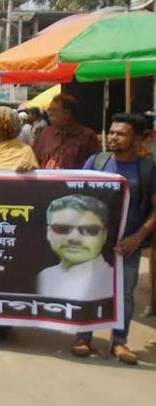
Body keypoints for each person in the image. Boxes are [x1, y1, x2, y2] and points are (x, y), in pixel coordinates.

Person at [72, 113, 156, 365]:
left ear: (137, 139)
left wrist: (138, 236)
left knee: (125, 294)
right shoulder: (96, 162)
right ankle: (83, 337)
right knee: (88, 288)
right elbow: (75, 191)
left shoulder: (147, 168)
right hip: (93, 243)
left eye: (121, 134)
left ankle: (119, 341)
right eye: (111, 132)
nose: (113, 137)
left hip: (127, 245)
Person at [37, 195, 113, 302]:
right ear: (48, 233)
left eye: (89, 230)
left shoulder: (114, 280)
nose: (74, 238)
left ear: (104, 235)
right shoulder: (45, 276)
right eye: (62, 228)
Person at [33, 94, 99, 169]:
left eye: (54, 110)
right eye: (49, 110)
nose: (49, 114)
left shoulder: (87, 137)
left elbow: (94, 165)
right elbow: (34, 160)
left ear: (67, 113)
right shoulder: (46, 134)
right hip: (45, 176)